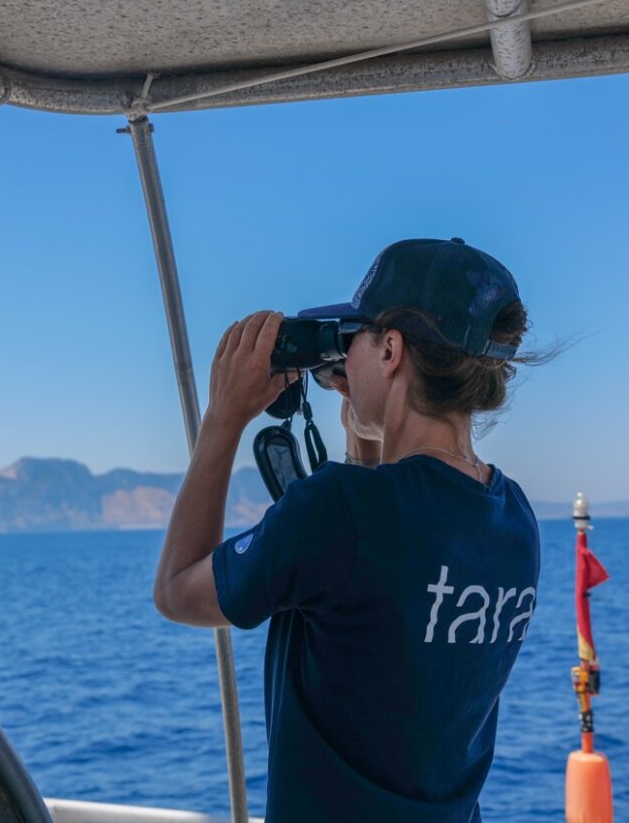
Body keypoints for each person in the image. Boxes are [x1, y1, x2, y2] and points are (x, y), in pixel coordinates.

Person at [153, 238, 541, 822]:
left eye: (354, 337)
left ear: (390, 350)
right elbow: (385, 595)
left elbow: (178, 591)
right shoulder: (514, 517)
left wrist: (224, 416)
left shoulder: (339, 508)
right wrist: (369, 419)